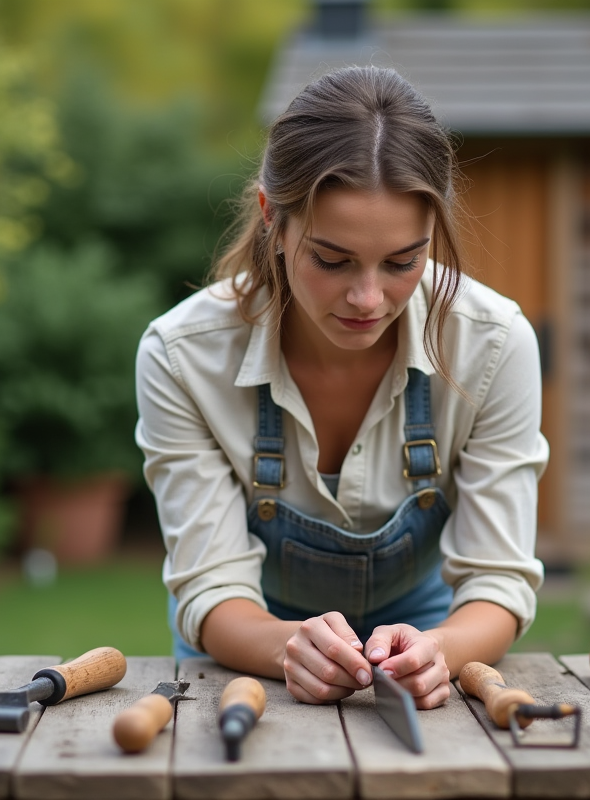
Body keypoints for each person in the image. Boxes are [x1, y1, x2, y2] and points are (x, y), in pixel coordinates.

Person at [134, 65, 547, 709]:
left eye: (403, 262)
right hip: (243, 653)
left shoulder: (494, 345)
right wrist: (284, 646)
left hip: (429, 628)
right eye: (332, 260)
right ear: (273, 216)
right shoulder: (182, 356)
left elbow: (498, 578)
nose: (368, 298)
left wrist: (443, 649)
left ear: (432, 233)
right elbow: (211, 586)